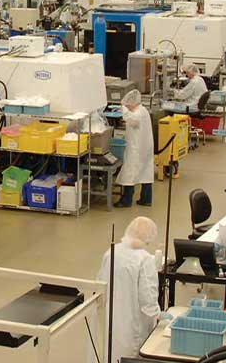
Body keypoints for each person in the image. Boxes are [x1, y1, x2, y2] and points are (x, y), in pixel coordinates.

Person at [98, 217, 163, 363]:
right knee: (130, 356)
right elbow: (148, 300)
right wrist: (160, 315)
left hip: (111, 321)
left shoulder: (111, 252)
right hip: (133, 325)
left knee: (111, 353)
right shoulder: (145, 259)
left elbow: (100, 284)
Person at [116, 90, 154, 207]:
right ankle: (146, 199)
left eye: (128, 104)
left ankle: (126, 200)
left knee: (130, 172)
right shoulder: (143, 110)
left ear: (133, 103)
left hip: (136, 148)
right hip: (144, 147)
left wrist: (123, 109)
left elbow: (132, 119)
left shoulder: (137, 113)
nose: (127, 106)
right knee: (146, 172)